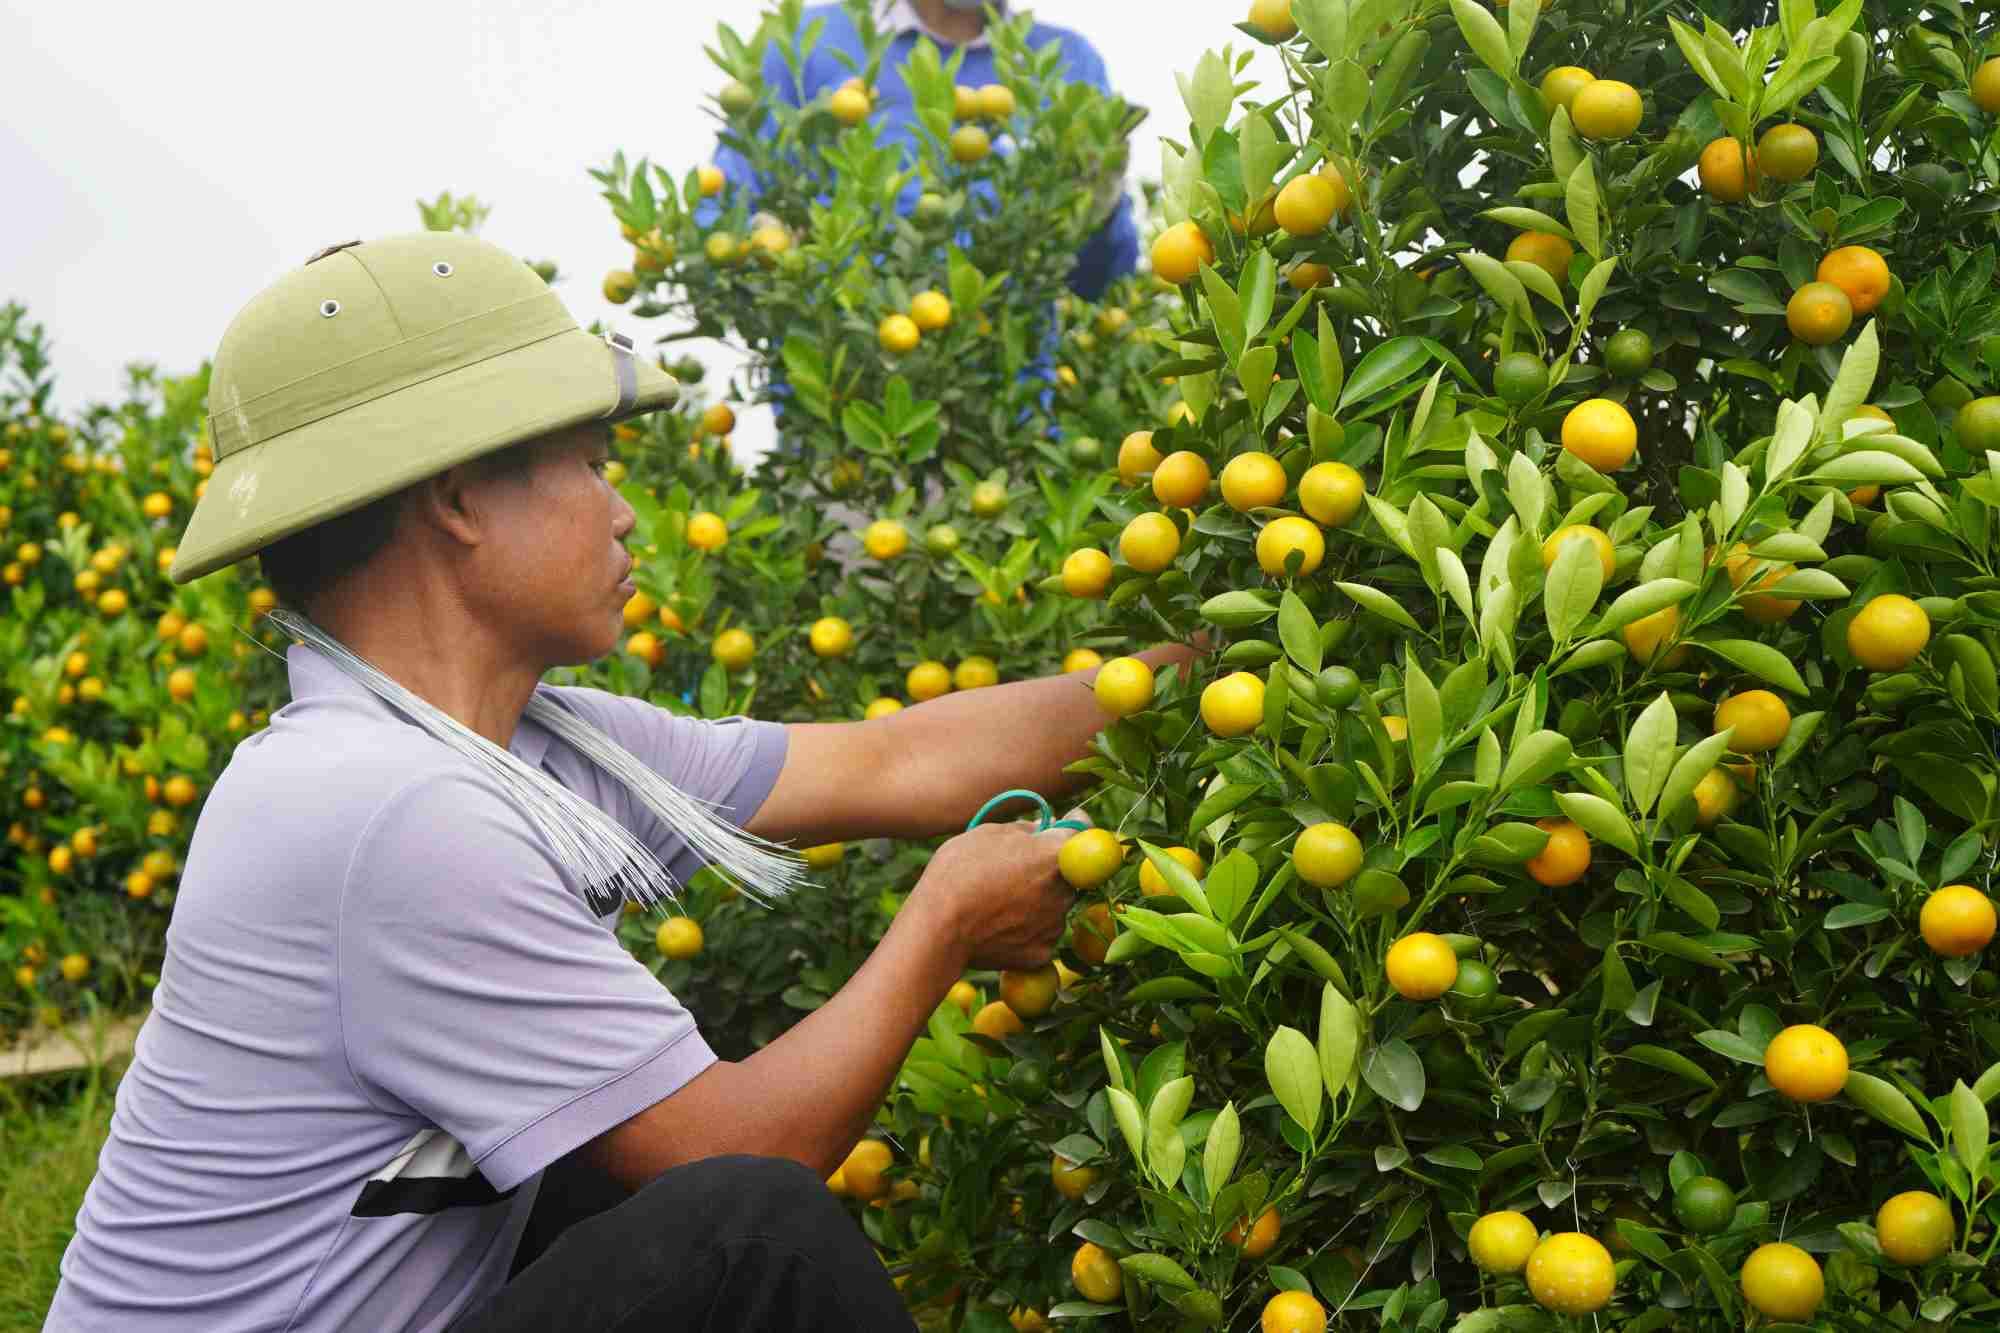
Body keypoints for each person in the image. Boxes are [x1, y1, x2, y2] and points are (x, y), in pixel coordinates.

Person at [43, 233, 1193, 1332]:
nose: (624, 507)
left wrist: (1224, 664)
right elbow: (741, 1151)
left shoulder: (527, 746)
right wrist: (942, 922)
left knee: (593, 1177)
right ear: (454, 497)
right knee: (746, 1233)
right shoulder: (387, 811)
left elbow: (902, 759)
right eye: (591, 464)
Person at [710, 0, 1139, 300]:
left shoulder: (1067, 63)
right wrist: (767, 246)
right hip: (840, 397)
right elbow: (722, 212)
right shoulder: (803, 43)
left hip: (1012, 408)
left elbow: (1098, 282)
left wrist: (1100, 208)